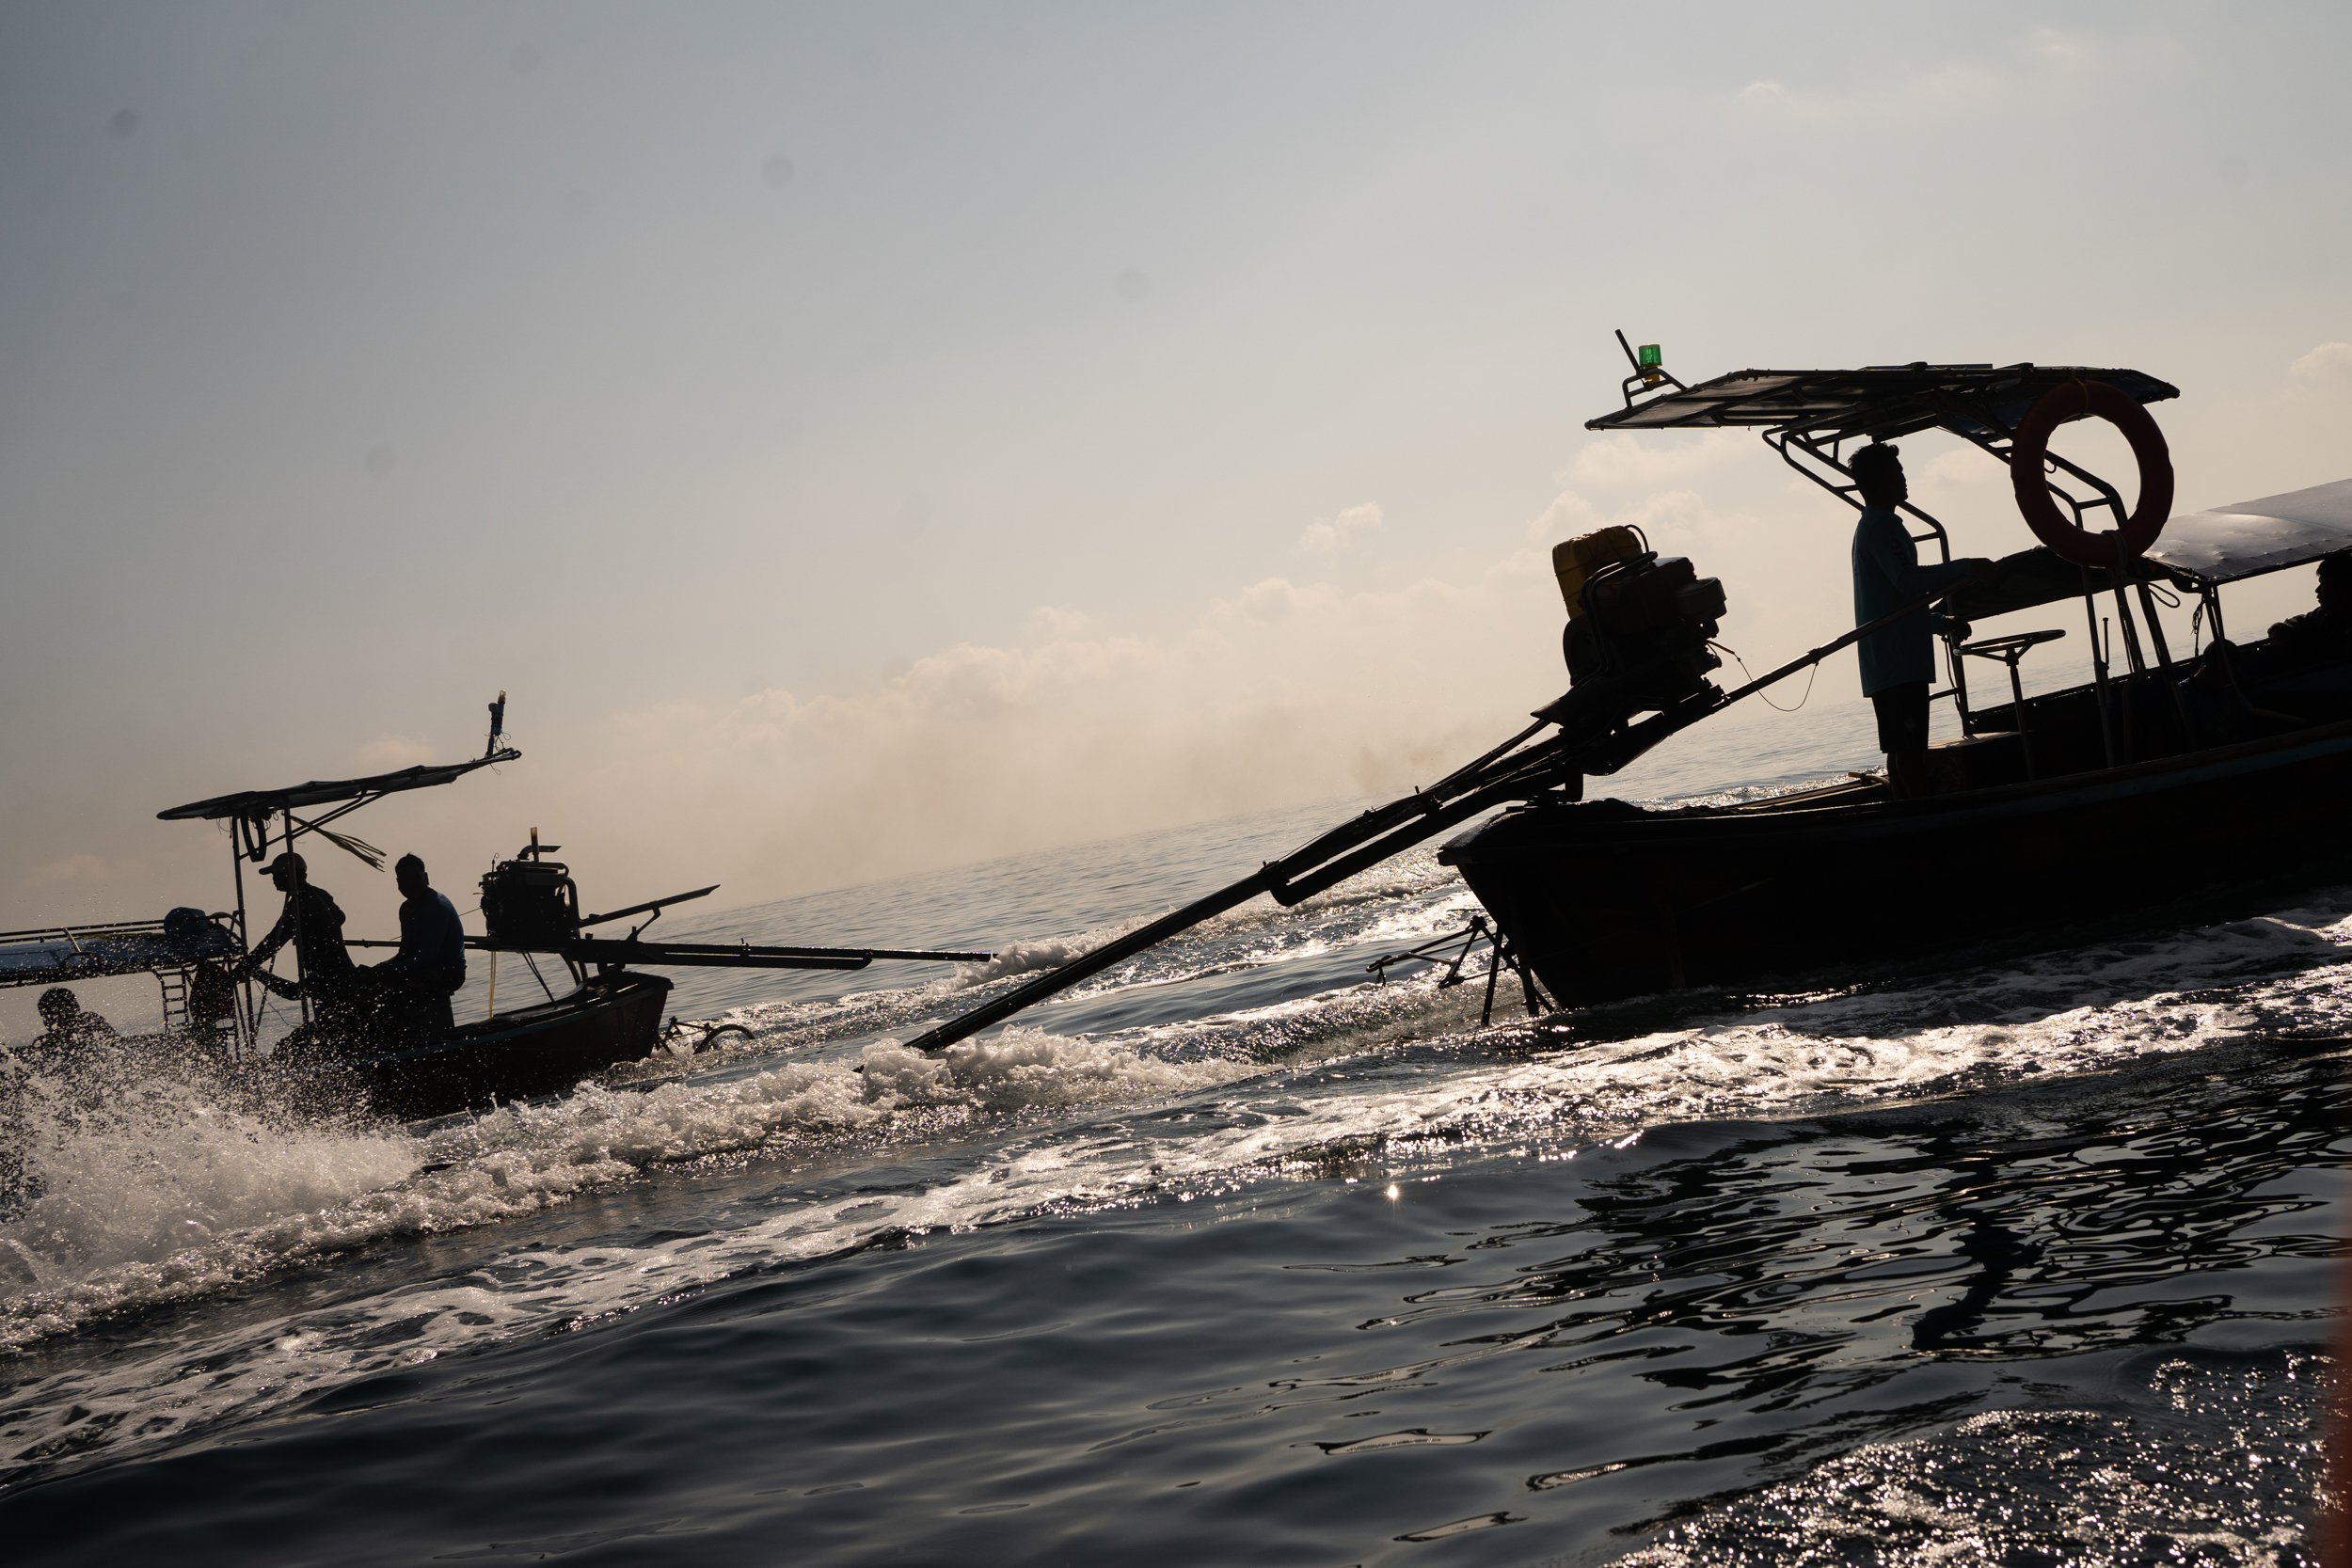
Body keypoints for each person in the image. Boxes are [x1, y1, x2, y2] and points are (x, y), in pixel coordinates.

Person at [1848, 442, 1992, 799]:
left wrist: (1942, 622)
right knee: (1908, 750)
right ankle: (1918, 816)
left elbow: (1898, 602)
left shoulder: (1877, 526)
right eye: (1897, 473)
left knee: (1901, 748)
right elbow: (1908, 582)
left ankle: (1905, 811)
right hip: (1897, 665)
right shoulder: (1881, 527)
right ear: (1882, 480)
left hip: (1891, 661)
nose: (1903, 478)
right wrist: (1967, 567)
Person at [240, 850, 365, 1043]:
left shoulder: (300, 904)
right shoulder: (319, 894)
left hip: (330, 979)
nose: (273, 879)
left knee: (317, 1020)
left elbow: (273, 942)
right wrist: (313, 932)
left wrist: (248, 966)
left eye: (277, 874)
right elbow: (340, 916)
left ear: (290, 875)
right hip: (344, 975)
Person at [374, 853, 467, 1038]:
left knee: (391, 992)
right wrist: (380, 968)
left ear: (426, 877)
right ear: (398, 882)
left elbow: (427, 955)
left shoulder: (436, 906)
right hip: (420, 969)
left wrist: (391, 970)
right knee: (371, 987)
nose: (410, 884)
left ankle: (427, 1040)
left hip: (447, 974)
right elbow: (404, 953)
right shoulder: (405, 909)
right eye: (403, 880)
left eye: (415, 878)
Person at [2265, 551, 2352, 662]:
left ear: (2340, 586)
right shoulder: (2324, 616)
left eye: (2324, 584)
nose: (2317, 590)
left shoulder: (2328, 617)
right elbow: (2283, 628)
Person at [24, 987, 117, 1072]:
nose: (46, 1021)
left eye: (49, 1015)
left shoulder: (93, 1023)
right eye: (44, 1016)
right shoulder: (44, 1043)